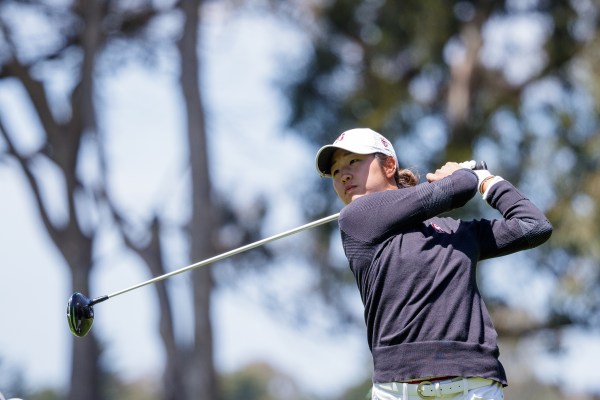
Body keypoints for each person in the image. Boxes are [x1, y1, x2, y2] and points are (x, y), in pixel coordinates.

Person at [315, 128, 553, 400]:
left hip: (474, 389)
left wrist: (487, 181)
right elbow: (460, 187)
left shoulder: (454, 232)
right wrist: (465, 174)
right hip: (398, 391)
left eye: (353, 161)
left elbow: (534, 226)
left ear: (389, 165)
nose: (343, 174)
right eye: (335, 172)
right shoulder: (355, 218)